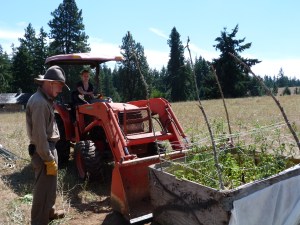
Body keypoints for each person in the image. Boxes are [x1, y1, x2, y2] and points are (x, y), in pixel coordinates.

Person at [26, 65, 70, 225]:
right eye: (60, 86)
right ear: (51, 83)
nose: (61, 90)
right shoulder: (40, 103)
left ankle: (49, 212)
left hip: (50, 148)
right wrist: (48, 158)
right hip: (44, 151)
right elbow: (39, 137)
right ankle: (38, 221)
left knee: (50, 186)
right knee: (42, 190)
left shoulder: (45, 100)